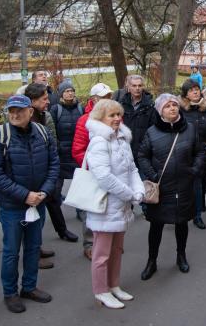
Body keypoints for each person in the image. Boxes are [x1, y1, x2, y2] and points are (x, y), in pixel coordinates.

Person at [0, 95, 59, 314]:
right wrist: (25, 195)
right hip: (12, 206)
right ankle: (10, 293)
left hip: (38, 203)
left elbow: (53, 163)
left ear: (30, 111)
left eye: (19, 110)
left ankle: (29, 287)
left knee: (34, 247)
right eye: (11, 111)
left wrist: (43, 192)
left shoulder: (43, 133)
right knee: (11, 252)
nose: (15, 114)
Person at [85, 99, 146, 309]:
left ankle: (113, 285)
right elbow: (103, 177)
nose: (117, 118)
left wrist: (138, 190)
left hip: (121, 205)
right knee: (101, 254)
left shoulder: (122, 138)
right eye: (112, 115)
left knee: (117, 249)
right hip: (105, 206)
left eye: (119, 114)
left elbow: (133, 170)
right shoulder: (99, 141)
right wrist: (130, 194)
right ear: (100, 117)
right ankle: (101, 291)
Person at [137, 94, 205, 280]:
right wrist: (153, 175)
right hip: (162, 188)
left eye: (175, 105)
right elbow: (142, 155)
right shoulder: (152, 132)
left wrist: (195, 170)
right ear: (160, 111)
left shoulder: (190, 129)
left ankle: (181, 256)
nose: (172, 108)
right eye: (167, 106)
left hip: (184, 185)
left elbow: (200, 151)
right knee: (156, 226)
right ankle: (152, 261)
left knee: (182, 223)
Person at [24, 83, 70, 268]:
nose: (47, 102)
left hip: (43, 174)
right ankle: (31, 254)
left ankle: (36, 246)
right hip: (33, 177)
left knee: (40, 217)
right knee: (32, 218)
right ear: (33, 101)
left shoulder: (42, 115)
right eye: (44, 99)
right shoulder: (28, 120)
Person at [72, 82, 114, 260]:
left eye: (109, 97)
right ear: (94, 99)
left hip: (113, 173)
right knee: (91, 210)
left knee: (111, 209)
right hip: (93, 173)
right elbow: (78, 150)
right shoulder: (85, 121)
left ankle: (109, 243)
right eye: (104, 98)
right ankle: (89, 244)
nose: (108, 100)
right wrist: (95, 167)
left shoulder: (116, 117)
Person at [179, 79, 206, 230]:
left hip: (199, 155)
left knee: (197, 187)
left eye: (196, 89)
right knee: (180, 187)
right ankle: (179, 214)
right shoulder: (180, 110)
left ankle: (197, 216)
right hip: (181, 154)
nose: (195, 92)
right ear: (185, 94)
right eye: (191, 90)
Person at [48, 81, 82, 243]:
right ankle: (58, 218)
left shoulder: (80, 108)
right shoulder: (56, 109)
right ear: (61, 94)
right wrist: (57, 147)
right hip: (61, 154)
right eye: (66, 91)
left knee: (81, 184)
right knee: (56, 189)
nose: (70, 94)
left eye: (72, 91)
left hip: (76, 152)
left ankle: (81, 211)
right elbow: (51, 130)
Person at [117, 75, 154, 163]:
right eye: (134, 85)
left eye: (140, 85)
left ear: (143, 87)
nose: (137, 88)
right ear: (128, 87)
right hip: (125, 151)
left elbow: (153, 130)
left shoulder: (151, 105)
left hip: (144, 153)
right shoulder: (121, 105)